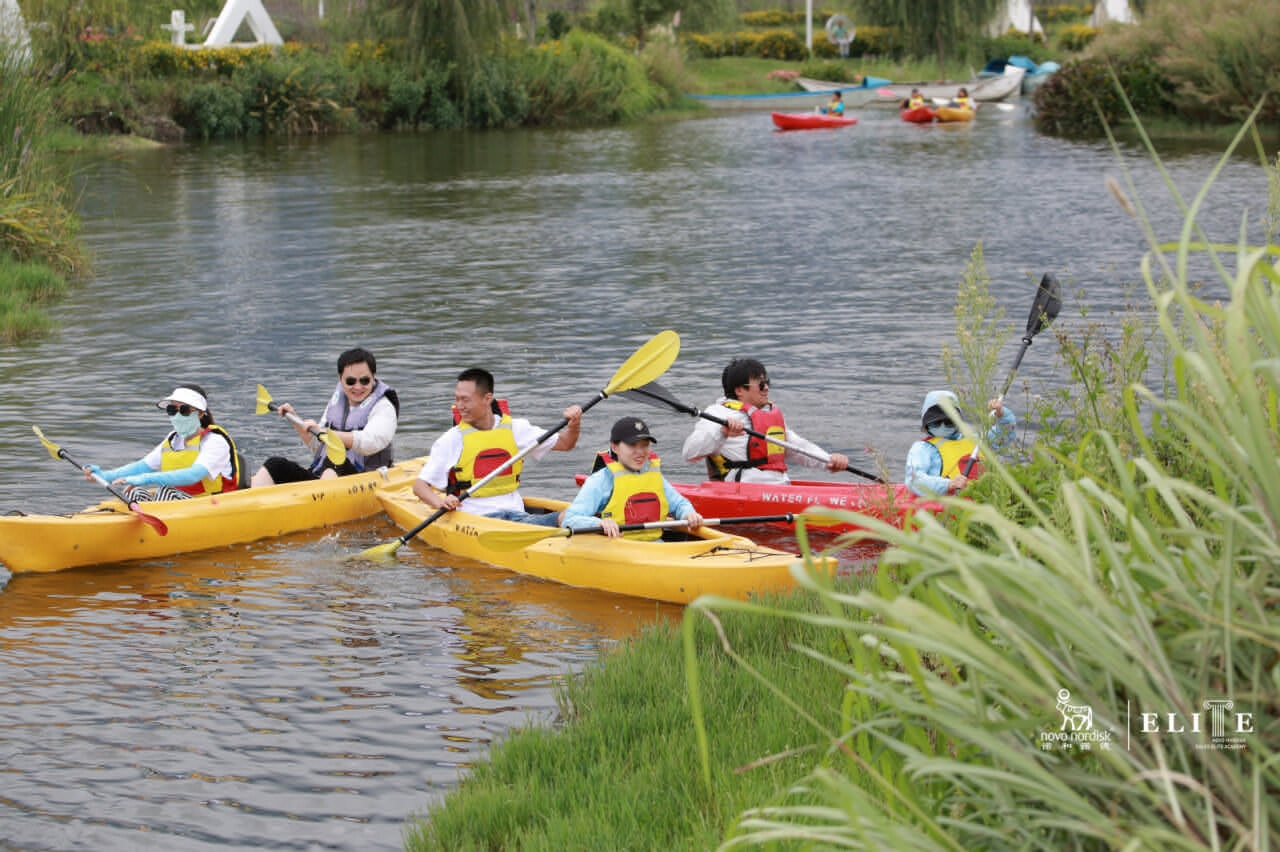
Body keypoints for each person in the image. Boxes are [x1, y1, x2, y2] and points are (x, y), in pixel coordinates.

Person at [413, 367, 583, 526]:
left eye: (465, 400)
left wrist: (574, 424)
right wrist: (441, 502)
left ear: (487, 399)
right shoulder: (451, 439)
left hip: (517, 514)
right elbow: (420, 487)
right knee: (561, 519)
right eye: (457, 399)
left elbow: (566, 443)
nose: (459, 406)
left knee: (573, 515)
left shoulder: (516, 429)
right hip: (475, 519)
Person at [682, 358, 850, 484]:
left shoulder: (768, 413)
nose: (767, 388)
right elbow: (690, 453)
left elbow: (797, 448)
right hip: (741, 492)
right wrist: (722, 433)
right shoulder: (718, 413)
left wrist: (828, 461)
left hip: (779, 488)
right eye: (761, 384)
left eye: (767, 382)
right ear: (740, 390)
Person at [251, 347, 399, 487]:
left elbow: (370, 442)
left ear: (373, 378)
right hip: (326, 476)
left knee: (335, 461)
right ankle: (249, 502)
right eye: (350, 381)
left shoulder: (383, 407)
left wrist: (328, 434)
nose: (358, 387)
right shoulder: (338, 401)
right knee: (276, 465)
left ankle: (317, 506)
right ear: (341, 379)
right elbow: (317, 445)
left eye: (365, 380)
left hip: (364, 480)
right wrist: (295, 419)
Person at [86, 383, 242, 502]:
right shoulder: (173, 439)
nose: (178, 415)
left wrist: (147, 478)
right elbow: (142, 466)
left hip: (214, 504)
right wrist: (105, 475)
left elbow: (194, 475)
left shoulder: (215, 441)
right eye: (172, 410)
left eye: (185, 410)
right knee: (131, 491)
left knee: (165, 492)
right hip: (181, 504)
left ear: (200, 414)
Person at [563, 417, 703, 540]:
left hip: (655, 548)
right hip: (614, 549)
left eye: (645, 445)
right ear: (614, 447)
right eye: (632, 445)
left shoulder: (653, 476)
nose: (640, 452)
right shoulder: (600, 481)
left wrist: (689, 514)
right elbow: (570, 520)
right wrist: (598, 523)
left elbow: (680, 504)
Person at [905, 390, 1016, 497]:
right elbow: (913, 479)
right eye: (936, 423)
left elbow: (1005, 435)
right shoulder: (922, 448)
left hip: (982, 499)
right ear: (926, 424)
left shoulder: (977, 441)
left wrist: (1001, 414)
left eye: (949, 422)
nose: (943, 427)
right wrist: (949, 484)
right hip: (947, 504)